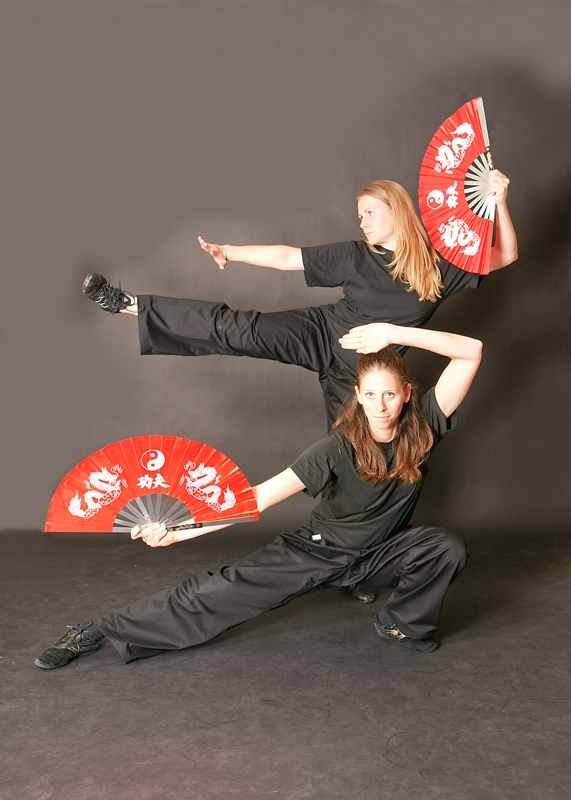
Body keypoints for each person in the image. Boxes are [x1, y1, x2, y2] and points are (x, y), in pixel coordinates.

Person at [35, 322, 482, 670]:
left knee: (445, 547)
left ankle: (399, 624)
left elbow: (471, 351)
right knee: (218, 592)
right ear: (358, 397)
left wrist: (394, 333)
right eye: (371, 395)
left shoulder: (424, 426)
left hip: (381, 553)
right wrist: (178, 530)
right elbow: (258, 498)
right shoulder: (334, 448)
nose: (381, 405)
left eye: (389, 394)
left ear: (407, 394)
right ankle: (97, 630)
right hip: (317, 551)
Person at [82, 172, 516, 432]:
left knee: (351, 456)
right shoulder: (353, 255)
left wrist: (500, 203)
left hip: (362, 374)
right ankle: (126, 304)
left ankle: (349, 552)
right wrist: (230, 251)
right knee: (234, 328)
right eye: (359, 215)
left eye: (369, 212)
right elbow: (287, 257)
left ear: (397, 210)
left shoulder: (439, 267)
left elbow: (507, 255)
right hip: (318, 333)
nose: (362, 222)